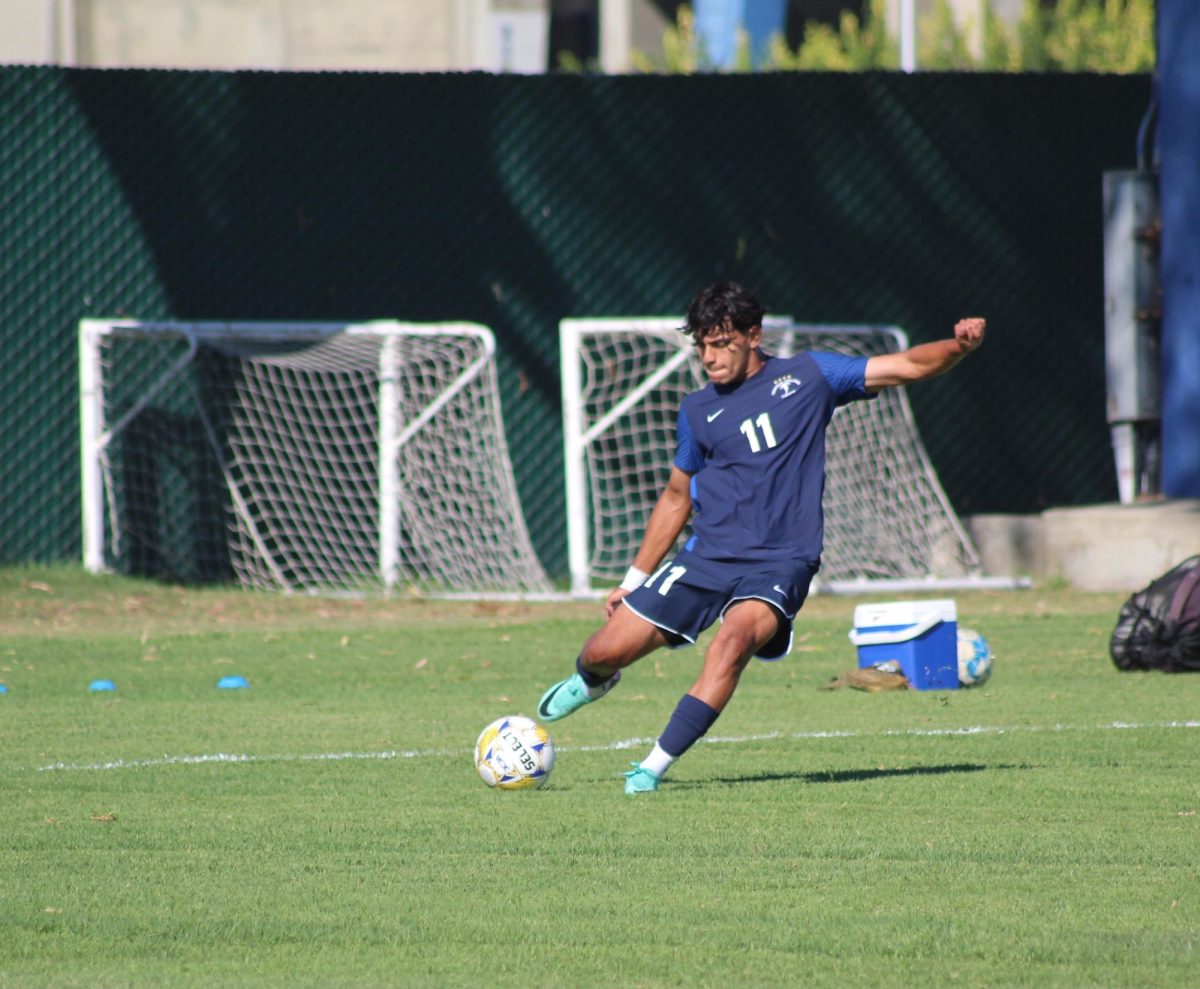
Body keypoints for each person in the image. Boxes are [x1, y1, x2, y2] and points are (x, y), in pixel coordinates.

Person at [537, 281, 986, 793]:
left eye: (720, 343)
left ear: (754, 335)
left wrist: (959, 347)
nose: (709, 356)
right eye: (702, 345)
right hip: (706, 557)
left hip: (780, 562)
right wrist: (633, 580)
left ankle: (651, 768)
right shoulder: (697, 411)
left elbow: (907, 365)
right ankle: (595, 680)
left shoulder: (809, 375)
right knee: (601, 649)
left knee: (729, 645)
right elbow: (676, 498)